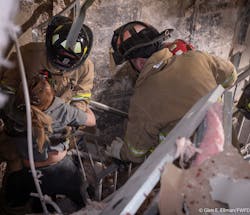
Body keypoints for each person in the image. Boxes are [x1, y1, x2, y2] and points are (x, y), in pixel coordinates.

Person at [106, 21, 238, 163]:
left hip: (194, 176)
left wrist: (120, 152)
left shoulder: (143, 99)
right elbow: (231, 76)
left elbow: (135, 153)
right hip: (234, 162)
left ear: (140, 63)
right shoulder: (197, 57)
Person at [0, 15, 94, 172]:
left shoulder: (86, 67)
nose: (61, 71)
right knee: (14, 163)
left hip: (55, 134)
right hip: (20, 128)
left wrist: (63, 118)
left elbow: (81, 99)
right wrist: (26, 116)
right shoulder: (27, 55)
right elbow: (6, 92)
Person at [0, 74, 96, 213]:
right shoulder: (63, 110)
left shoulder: (10, 108)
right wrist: (85, 107)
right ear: (51, 97)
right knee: (85, 197)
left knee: (36, 203)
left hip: (29, 175)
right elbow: (92, 121)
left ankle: (42, 207)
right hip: (62, 172)